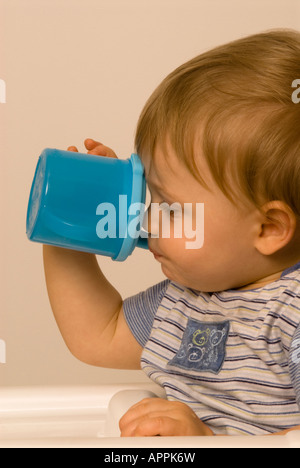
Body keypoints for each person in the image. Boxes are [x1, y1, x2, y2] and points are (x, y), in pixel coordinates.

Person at [43, 29, 300, 436]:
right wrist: (71, 229)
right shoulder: (186, 300)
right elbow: (97, 334)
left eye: (172, 208)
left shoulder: (290, 315)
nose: (148, 219)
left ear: (268, 228)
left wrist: (209, 441)